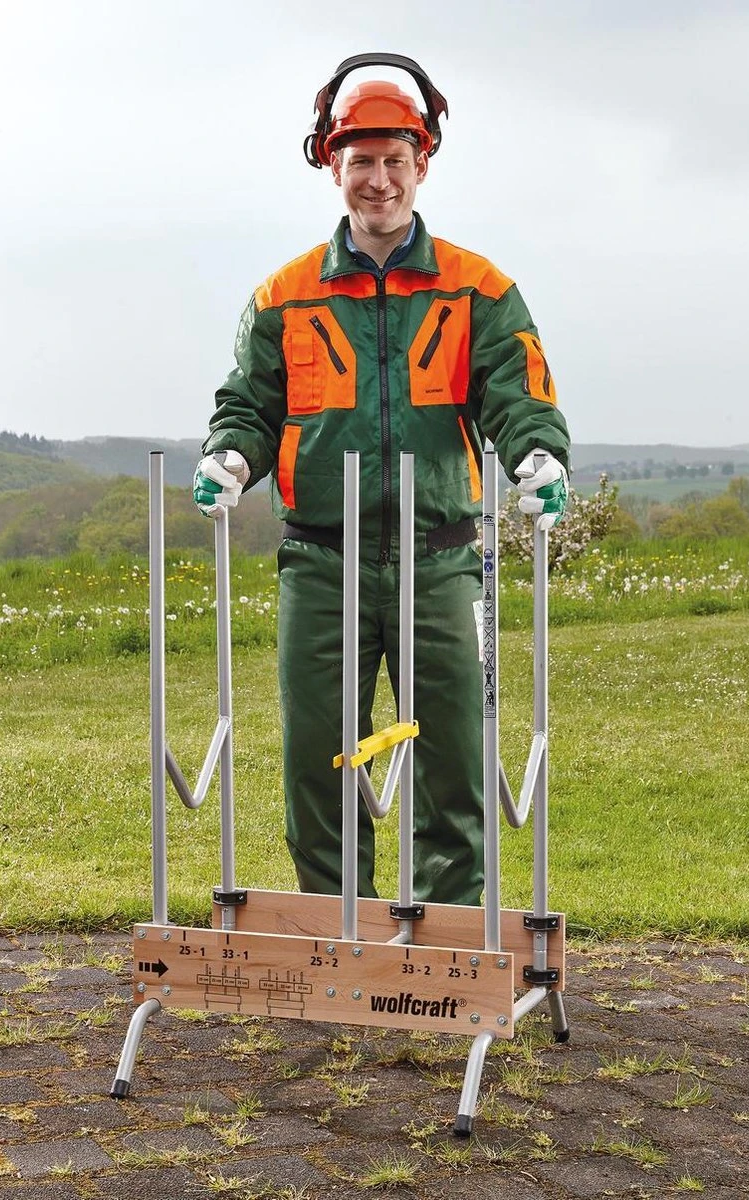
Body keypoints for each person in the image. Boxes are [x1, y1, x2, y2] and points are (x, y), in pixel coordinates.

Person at [194, 54, 570, 906]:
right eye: (360, 160)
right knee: (319, 761)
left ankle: (446, 947)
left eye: (395, 159)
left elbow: (519, 394)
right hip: (321, 561)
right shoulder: (284, 296)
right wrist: (230, 457)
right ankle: (343, 939)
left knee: (454, 759)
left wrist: (539, 458)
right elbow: (249, 404)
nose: (378, 180)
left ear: (422, 163)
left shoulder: (478, 289)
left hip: (443, 559)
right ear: (332, 166)